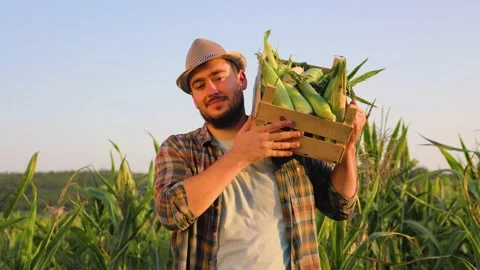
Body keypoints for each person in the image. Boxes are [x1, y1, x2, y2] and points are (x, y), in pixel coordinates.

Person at [154, 37, 366, 270]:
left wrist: (348, 147)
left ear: (242, 79)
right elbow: (170, 212)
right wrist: (240, 156)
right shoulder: (179, 148)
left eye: (219, 77)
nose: (211, 90)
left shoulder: (288, 137)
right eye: (200, 85)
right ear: (194, 100)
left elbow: (339, 205)